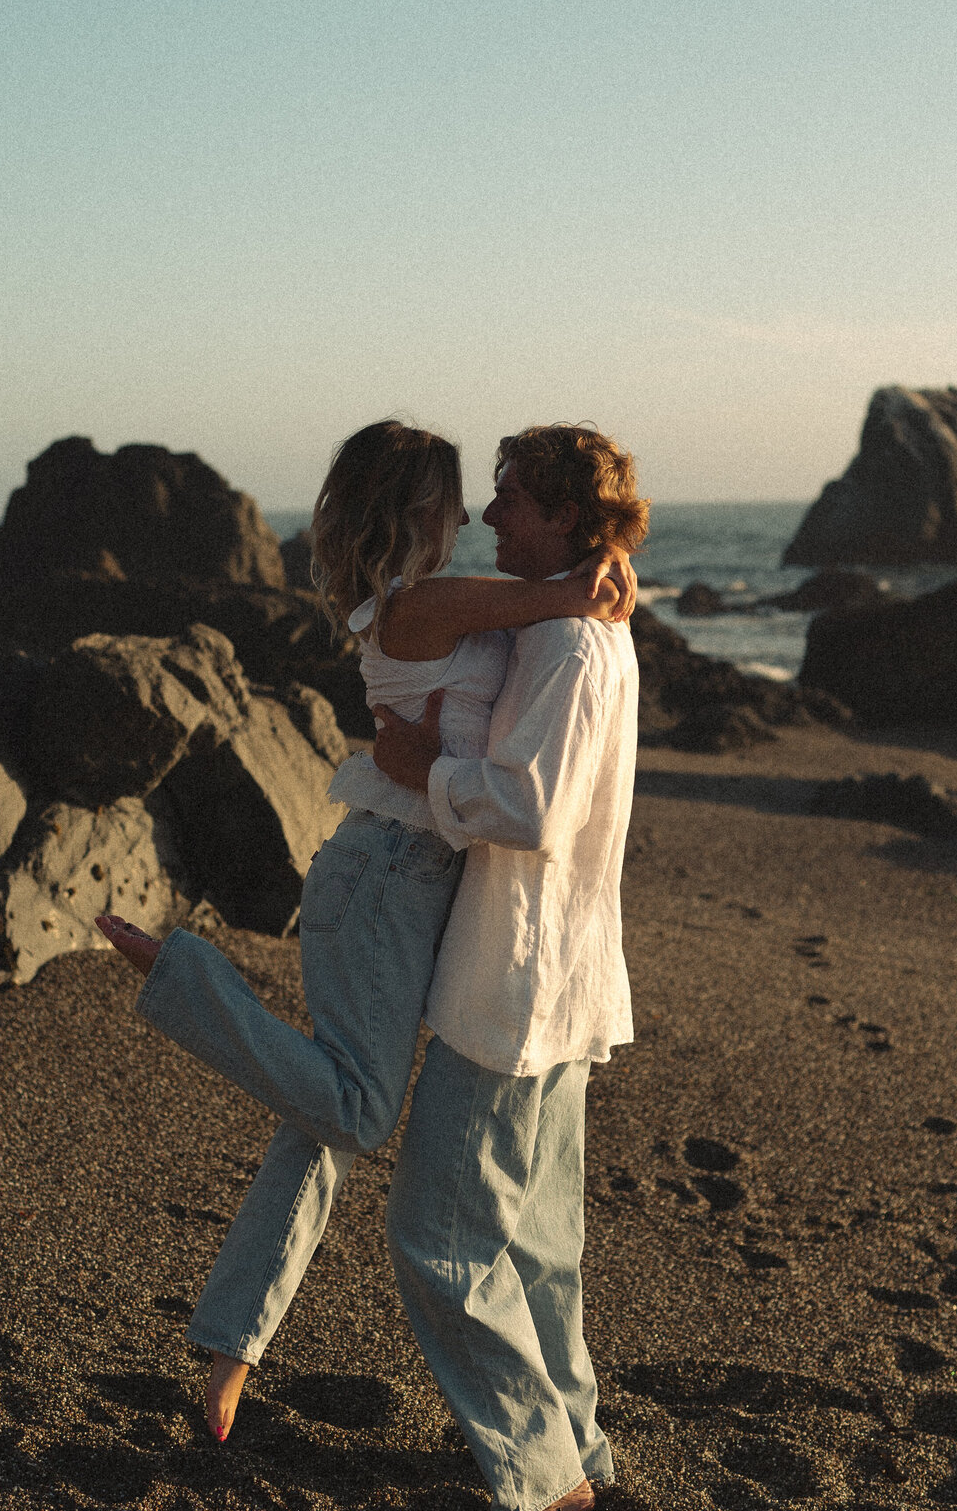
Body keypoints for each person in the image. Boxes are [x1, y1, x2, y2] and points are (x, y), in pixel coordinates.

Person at [95, 419, 636, 1444]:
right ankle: (185, 976)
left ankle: (231, 1344)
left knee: (328, 1114)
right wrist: (589, 577)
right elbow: (552, 603)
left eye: (499, 496)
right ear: (417, 510)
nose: (478, 514)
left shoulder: (452, 604)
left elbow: (552, 617)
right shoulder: (416, 605)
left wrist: (608, 560)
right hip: (385, 878)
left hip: (418, 886)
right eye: (459, 497)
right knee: (351, 1106)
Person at [371, 424, 648, 1511]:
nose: (491, 517)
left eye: (513, 499)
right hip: (553, 978)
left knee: (437, 1233)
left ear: (572, 520)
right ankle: (574, 1451)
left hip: (520, 981)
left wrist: (417, 769)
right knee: (534, 1244)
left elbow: (530, 809)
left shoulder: (578, 652)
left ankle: (539, 1481)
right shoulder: (571, 627)